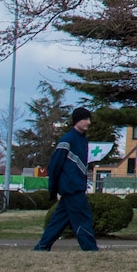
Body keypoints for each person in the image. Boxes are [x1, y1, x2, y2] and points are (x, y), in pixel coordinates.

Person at [33, 107, 99, 252]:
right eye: (85, 119)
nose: (89, 122)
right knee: (83, 218)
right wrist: (53, 187)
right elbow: (55, 165)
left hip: (74, 187)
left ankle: (42, 247)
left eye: (89, 119)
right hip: (72, 187)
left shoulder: (82, 140)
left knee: (59, 220)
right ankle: (90, 249)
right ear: (77, 121)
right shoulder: (68, 140)